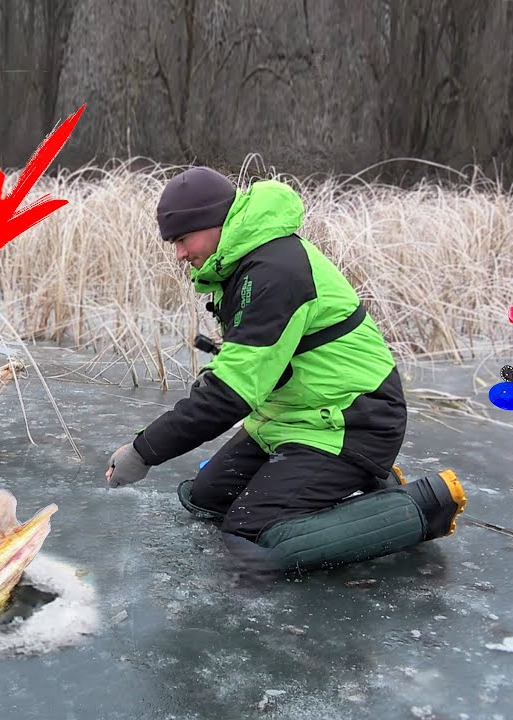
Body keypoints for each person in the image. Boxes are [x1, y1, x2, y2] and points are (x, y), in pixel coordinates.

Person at [104, 166, 467, 575]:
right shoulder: (247, 264)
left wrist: (145, 450)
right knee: (205, 499)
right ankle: (365, 485)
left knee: (253, 538)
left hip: (352, 421)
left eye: (182, 240)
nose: (179, 255)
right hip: (294, 418)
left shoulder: (275, 271)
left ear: (214, 224)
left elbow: (230, 396)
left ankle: (421, 506)